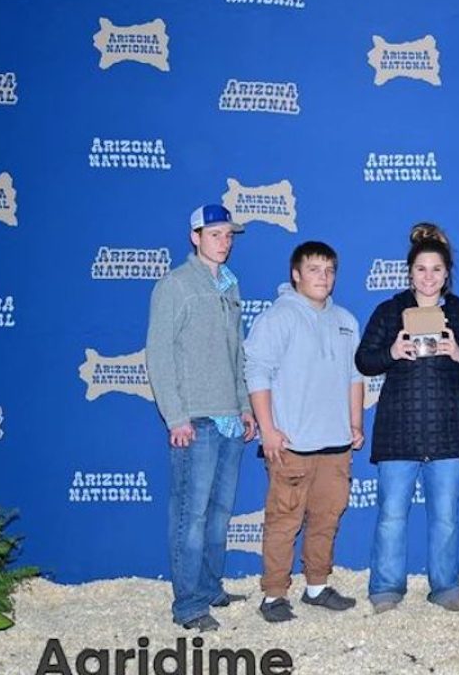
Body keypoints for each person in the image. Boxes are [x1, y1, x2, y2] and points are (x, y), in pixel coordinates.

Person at [355, 223, 459, 613]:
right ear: (409, 272)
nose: (428, 277)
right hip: (399, 429)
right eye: (421, 269)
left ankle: (446, 585)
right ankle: (385, 588)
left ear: (447, 273)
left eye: (436, 269)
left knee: (446, 517)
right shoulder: (389, 311)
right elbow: (364, 360)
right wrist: (391, 352)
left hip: (447, 431)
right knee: (392, 516)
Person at [145, 203, 257, 632]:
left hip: (228, 418)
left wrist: (245, 407)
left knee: (219, 512)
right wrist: (176, 417)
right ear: (195, 237)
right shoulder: (175, 285)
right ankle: (188, 605)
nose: (224, 242)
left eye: (228, 235)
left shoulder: (230, 286)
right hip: (196, 417)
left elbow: (237, 355)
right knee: (190, 516)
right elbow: (159, 355)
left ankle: (210, 587)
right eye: (215, 234)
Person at [244, 241, 363, 623]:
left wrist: (355, 423)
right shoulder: (277, 318)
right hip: (292, 443)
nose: (323, 277)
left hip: (335, 442)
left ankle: (316, 586)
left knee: (327, 516)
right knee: (284, 520)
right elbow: (256, 372)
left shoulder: (346, 319)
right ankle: (274, 594)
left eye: (329, 270)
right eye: (314, 269)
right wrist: (268, 430)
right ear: (295, 273)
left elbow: (354, 375)